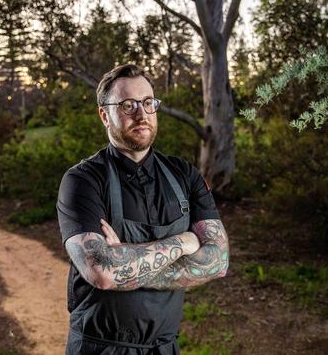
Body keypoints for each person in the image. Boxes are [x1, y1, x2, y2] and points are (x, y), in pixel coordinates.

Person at [57, 64, 229, 355]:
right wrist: (183, 242)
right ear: (104, 115)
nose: (141, 114)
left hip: (165, 347)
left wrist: (127, 260)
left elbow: (218, 261)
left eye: (148, 103)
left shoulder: (184, 175)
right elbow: (103, 273)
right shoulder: (82, 180)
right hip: (102, 348)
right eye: (127, 105)